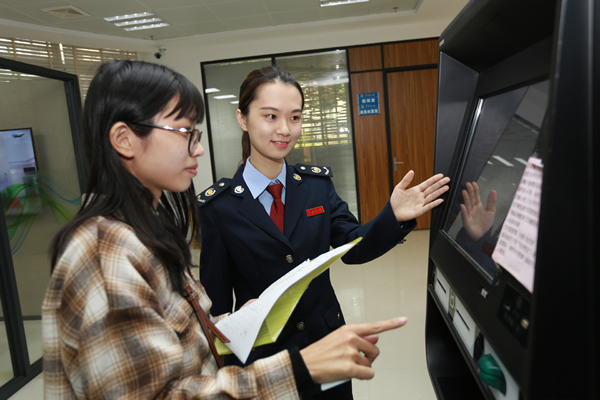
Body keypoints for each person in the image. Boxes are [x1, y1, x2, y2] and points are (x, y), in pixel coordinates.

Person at [42, 60, 409, 399]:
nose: (198, 148)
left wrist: (225, 322)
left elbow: (178, 335)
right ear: (124, 139)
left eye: (295, 117)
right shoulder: (105, 252)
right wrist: (298, 368)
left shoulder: (142, 230)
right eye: (184, 131)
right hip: (264, 365)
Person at [197, 65, 450, 399]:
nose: (284, 129)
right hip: (265, 361)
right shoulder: (219, 207)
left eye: (295, 117)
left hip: (326, 345)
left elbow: (353, 247)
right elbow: (215, 308)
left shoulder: (316, 187)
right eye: (270, 116)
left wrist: (393, 216)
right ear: (242, 119)